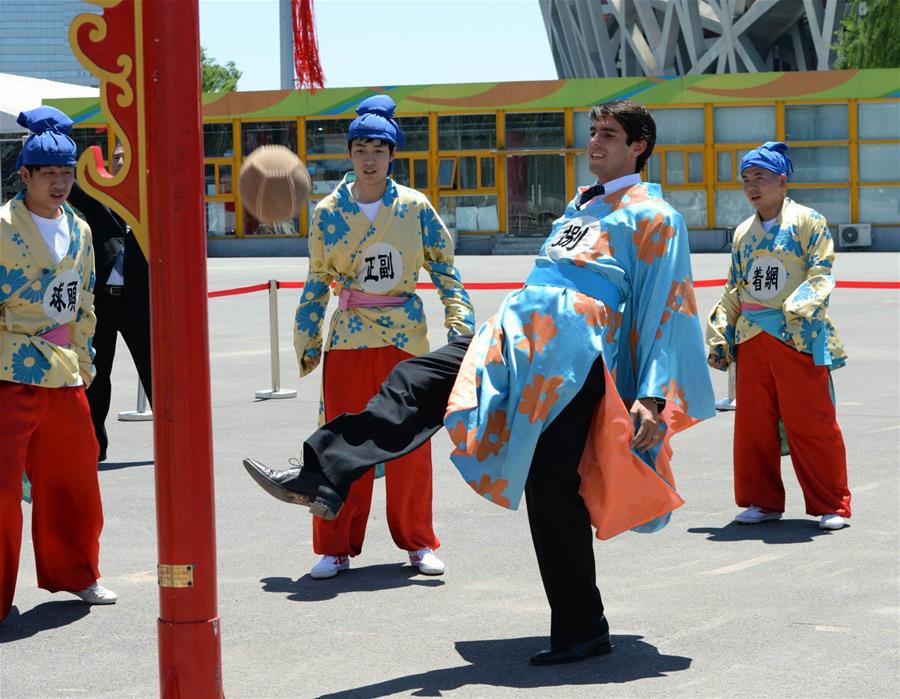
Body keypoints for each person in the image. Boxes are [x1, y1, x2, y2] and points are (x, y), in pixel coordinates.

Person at [245, 100, 715, 664]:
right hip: (517, 334)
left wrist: (652, 397)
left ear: (639, 146)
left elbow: (669, 304)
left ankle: (582, 629)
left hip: (574, 358)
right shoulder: (582, 206)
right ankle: (322, 472)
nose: (594, 142)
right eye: (592, 131)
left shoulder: (655, 216)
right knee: (418, 377)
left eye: (609, 134)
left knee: (551, 489)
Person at [285, 95, 475, 580]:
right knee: (343, 439)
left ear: (392, 155)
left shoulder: (414, 207)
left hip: (405, 337)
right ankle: (334, 546)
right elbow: (317, 279)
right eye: (361, 150)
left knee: (410, 444)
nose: (369, 160)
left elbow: (445, 269)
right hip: (349, 338)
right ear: (350, 154)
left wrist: (461, 325)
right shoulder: (329, 211)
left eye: (378, 150)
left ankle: (418, 541)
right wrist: (307, 338)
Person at [0, 106, 117, 623]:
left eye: (66, 172)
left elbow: (84, 301)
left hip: (63, 368)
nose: (59, 182)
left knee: (75, 477)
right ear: (24, 175)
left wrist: (85, 360)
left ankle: (78, 572)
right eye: (47, 173)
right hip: (9, 367)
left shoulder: (81, 228)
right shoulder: (2, 226)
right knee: (2, 489)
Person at [706, 141, 851, 530]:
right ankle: (763, 500)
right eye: (746, 179)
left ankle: (831, 502)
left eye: (760, 177)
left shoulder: (808, 221)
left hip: (796, 335)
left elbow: (821, 273)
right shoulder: (743, 232)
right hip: (752, 336)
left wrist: (796, 310)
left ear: (782, 181)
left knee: (812, 422)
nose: (752, 186)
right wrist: (721, 332)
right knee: (754, 425)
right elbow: (735, 286)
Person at [68, 143, 152, 463]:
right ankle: (95, 446)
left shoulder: (150, 204)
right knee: (96, 376)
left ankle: (173, 441)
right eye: (116, 158)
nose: (121, 162)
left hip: (139, 304)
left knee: (154, 373)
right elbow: (72, 188)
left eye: (127, 158)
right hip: (101, 304)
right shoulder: (98, 200)